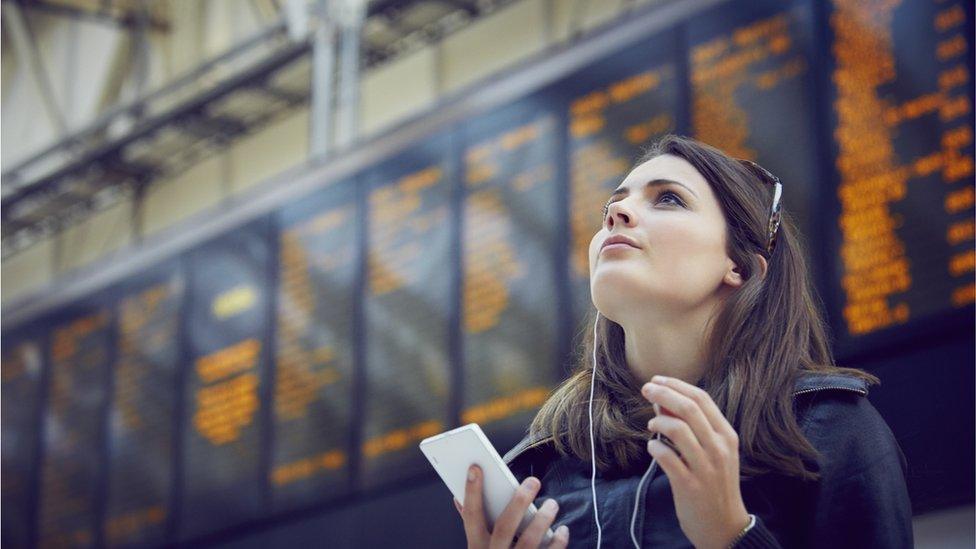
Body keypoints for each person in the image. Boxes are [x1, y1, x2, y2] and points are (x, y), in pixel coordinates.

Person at [452, 134, 913, 548]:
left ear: (741, 267)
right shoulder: (541, 467)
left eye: (668, 199)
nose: (616, 213)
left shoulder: (829, 429)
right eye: (611, 206)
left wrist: (732, 536)